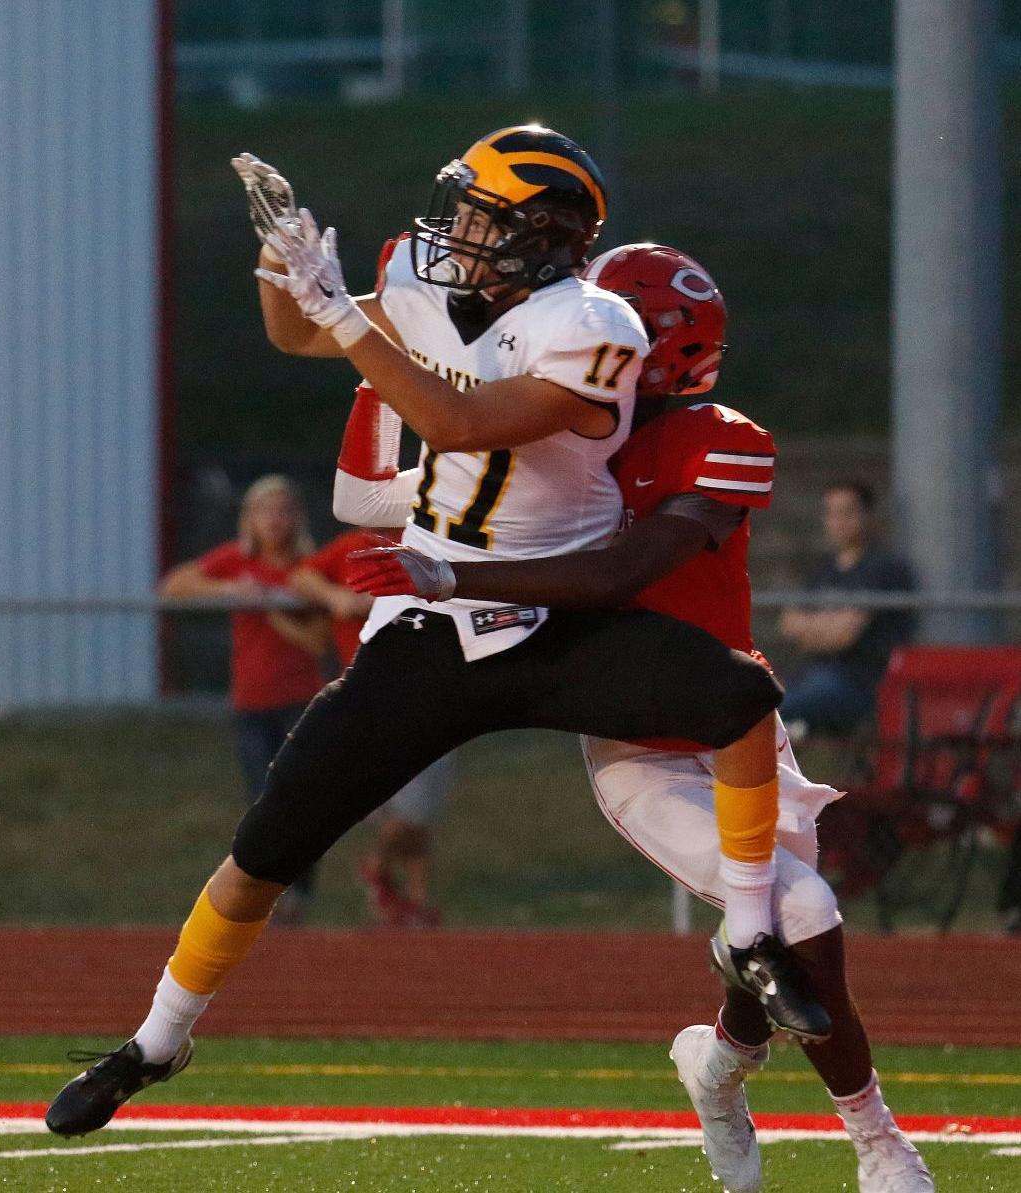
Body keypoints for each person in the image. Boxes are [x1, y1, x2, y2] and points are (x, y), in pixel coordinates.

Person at [46, 128, 793, 1140]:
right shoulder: (420, 274)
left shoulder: (595, 320)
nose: (459, 231)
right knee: (268, 842)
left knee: (736, 694)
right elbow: (295, 334)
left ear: (546, 234)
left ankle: (750, 927)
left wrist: (338, 315)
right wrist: (283, 265)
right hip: (434, 615)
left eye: (483, 216)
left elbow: (462, 420)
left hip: (555, 605)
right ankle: (157, 1037)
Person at [344, 243, 931, 1193]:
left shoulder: (718, 437)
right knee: (801, 908)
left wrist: (455, 573)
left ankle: (716, 1072)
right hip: (639, 747)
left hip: (738, 722)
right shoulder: (556, 436)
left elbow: (620, 573)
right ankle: (877, 1141)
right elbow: (429, 473)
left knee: (775, 938)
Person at [289, 400, 453, 929]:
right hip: (375, 688)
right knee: (403, 806)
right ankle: (382, 877)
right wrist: (335, 599)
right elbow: (302, 576)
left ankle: (409, 901)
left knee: (420, 811)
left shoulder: (442, 543)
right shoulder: (360, 543)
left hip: (438, 685)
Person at [159, 474, 328, 921]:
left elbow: (317, 641)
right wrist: (232, 591)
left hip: (301, 700)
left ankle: (299, 894)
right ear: (250, 519)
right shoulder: (236, 561)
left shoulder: (309, 568)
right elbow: (175, 585)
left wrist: (274, 608)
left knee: (304, 799)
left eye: (284, 510)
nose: (275, 520)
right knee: (263, 799)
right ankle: (267, 892)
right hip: (253, 704)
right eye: (265, 511)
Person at [778, 482, 917, 740]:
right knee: (749, 696)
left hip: (861, 684)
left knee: (768, 709)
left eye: (848, 513)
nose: (838, 521)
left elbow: (845, 635)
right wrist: (831, 627)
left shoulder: (883, 568)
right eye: (831, 513)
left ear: (868, 515)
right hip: (813, 675)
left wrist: (814, 630)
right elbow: (788, 623)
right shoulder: (823, 569)